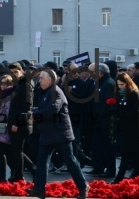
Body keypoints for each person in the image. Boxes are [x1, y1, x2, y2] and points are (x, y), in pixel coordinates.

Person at [26, 70, 89, 199]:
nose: (39, 81)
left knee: (70, 161)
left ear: (50, 80)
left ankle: (83, 187)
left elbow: (53, 109)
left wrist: (35, 115)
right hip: (48, 133)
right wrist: (33, 112)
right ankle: (39, 189)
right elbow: (45, 108)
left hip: (60, 134)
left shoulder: (55, 91)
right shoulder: (46, 92)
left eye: (42, 78)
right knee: (42, 161)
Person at [111, 73, 139, 183]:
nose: (120, 86)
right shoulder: (122, 94)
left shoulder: (134, 94)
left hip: (132, 130)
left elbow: (134, 112)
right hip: (124, 128)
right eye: (119, 84)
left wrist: (118, 112)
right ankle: (138, 175)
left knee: (127, 154)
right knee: (134, 155)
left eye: (122, 84)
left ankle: (119, 178)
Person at [8, 62, 34, 181]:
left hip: (21, 124)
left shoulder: (26, 85)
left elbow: (26, 106)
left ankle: (19, 176)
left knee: (17, 151)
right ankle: (22, 173)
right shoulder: (17, 85)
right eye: (11, 73)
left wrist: (17, 123)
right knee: (16, 150)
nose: (13, 75)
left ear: (22, 71)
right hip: (15, 122)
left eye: (16, 72)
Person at [0, 74, 14, 182]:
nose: (3, 86)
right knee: (2, 152)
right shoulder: (1, 95)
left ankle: (3, 177)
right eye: (1, 83)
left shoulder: (8, 96)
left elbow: (6, 112)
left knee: (3, 152)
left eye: (5, 84)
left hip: (3, 126)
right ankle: (5, 175)